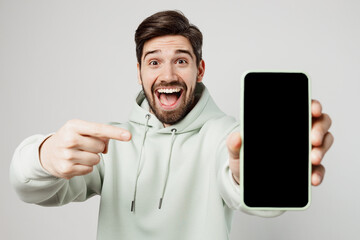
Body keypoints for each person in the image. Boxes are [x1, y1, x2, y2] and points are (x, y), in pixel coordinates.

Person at [10, 10, 333, 240]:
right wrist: (41, 157)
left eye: (181, 60)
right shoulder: (110, 140)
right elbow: (34, 193)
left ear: (200, 69)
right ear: (139, 72)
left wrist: (253, 173)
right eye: (154, 62)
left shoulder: (230, 137)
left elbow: (255, 199)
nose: (167, 76)